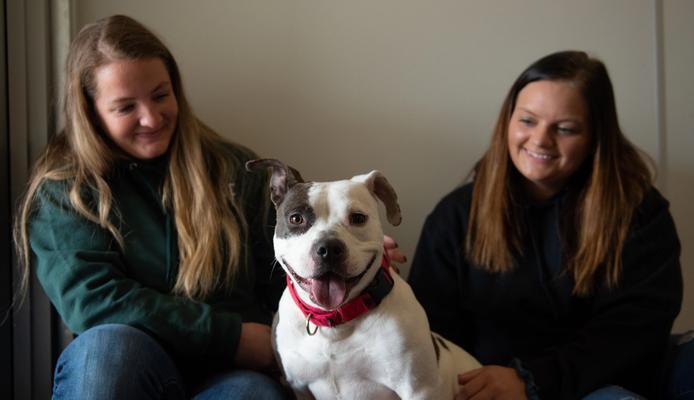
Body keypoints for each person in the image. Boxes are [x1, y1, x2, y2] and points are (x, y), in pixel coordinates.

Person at [13, 15, 289, 399]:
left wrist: (349, 265)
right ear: (91, 114)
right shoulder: (65, 189)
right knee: (106, 353)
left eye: (161, 95)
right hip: (129, 364)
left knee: (253, 395)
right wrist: (232, 337)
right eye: (126, 107)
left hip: (231, 375)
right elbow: (94, 300)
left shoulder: (237, 171)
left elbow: (289, 275)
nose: (151, 118)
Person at [408, 50, 691, 400]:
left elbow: (634, 330)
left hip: (601, 385)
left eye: (566, 128)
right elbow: (427, 330)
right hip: (483, 387)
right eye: (528, 120)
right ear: (507, 121)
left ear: (595, 138)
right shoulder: (456, 215)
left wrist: (531, 380)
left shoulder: (638, 212)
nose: (541, 139)